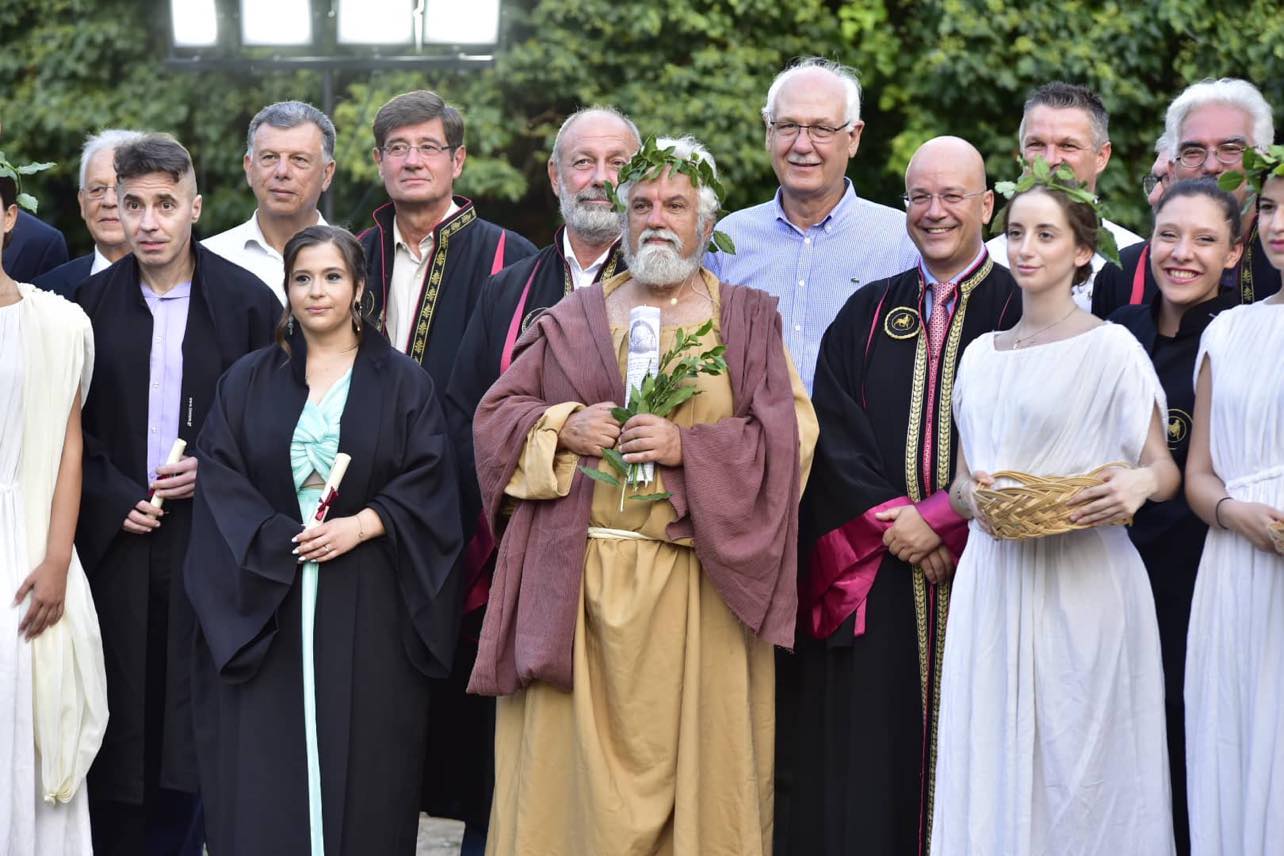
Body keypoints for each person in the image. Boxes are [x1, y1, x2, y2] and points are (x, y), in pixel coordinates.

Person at [468, 136, 817, 855]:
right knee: (565, 803)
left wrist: (688, 449)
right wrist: (566, 425)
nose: (657, 217)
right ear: (623, 222)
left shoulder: (746, 321)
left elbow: (791, 441)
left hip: (700, 595)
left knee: (704, 792)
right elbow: (495, 422)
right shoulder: (572, 318)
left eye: (676, 204)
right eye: (642, 204)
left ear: (707, 223)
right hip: (579, 593)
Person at [185, 225, 463, 855]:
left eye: (333, 277)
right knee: (266, 777)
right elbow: (221, 480)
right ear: (286, 289)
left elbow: (431, 481)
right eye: (302, 278)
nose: (317, 292)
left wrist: (363, 524)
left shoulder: (402, 383)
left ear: (360, 287)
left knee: (362, 771)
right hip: (265, 597)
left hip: (369, 598)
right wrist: (277, 536)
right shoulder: (249, 381)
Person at [931, 169, 1179, 855]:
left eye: (1046, 234)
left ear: (1080, 252)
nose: (1026, 248)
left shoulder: (1112, 348)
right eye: (1015, 233)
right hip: (996, 576)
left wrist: (1134, 487)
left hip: (1084, 581)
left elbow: (1163, 469)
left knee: (1083, 763)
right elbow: (958, 484)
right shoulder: (980, 357)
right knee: (996, 752)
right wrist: (970, 499)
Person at [783, 136, 1019, 856]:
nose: (935, 211)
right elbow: (836, 437)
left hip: (992, 571)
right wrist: (905, 527)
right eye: (920, 196)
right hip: (883, 580)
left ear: (986, 206)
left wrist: (946, 521)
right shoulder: (866, 311)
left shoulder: (1019, 308)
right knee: (875, 758)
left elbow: (1034, 439)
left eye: (953, 196)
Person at [437, 104, 639, 849]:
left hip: (625, 557)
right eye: (583, 162)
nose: (601, 178)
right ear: (555, 177)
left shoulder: (673, 288)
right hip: (519, 554)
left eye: (619, 163)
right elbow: (467, 420)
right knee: (516, 762)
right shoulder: (509, 289)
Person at [73, 134, 280, 855]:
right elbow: (69, 434)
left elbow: (277, 430)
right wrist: (107, 494)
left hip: (210, 543)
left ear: (196, 207)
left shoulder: (250, 304)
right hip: (117, 544)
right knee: (124, 707)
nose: (149, 222)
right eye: (133, 205)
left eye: (165, 204)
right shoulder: (83, 306)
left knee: (197, 718)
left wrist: (214, 473)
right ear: (113, 211)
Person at [1108, 179, 1244, 855]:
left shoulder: (1243, 340)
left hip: (1207, 577)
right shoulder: (1114, 335)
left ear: (1235, 253)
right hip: (1110, 577)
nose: (1181, 253)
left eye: (1204, 240)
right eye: (1168, 235)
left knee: (1195, 737)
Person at [0, 159, 107, 855]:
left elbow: (71, 449)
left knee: (30, 730)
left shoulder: (60, 323)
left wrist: (58, 560)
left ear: (9, 217)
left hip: (29, 548)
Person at [706, 57, 919, 392]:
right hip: (752, 443)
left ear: (853, 137)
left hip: (863, 444)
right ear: (769, 132)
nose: (802, 145)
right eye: (788, 126)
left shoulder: (902, 243)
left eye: (821, 128)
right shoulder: (727, 242)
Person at [1183, 152, 1284, 856]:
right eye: (1272, 207)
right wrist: (1232, 514)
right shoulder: (1230, 331)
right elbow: (1199, 475)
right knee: (1236, 737)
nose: (1279, 223)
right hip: (1235, 565)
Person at [358, 90, 535, 393]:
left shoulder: (513, 256)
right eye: (398, 148)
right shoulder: (354, 254)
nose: (412, 162)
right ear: (379, 161)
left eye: (428, 147)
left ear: (457, 161)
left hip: (467, 440)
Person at [1093, 78, 1280, 315]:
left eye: (1231, 149)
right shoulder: (1123, 274)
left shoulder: (1278, 261)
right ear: (1172, 168)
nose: (1211, 166)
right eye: (1193, 152)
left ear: (1262, 162)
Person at [986, 81, 1144, 310]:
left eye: (1068, 146)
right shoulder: (988, 263)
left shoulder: (1136, 262)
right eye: (1037, 144)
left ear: (1102, 156)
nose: (1050, 159)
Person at [204, 101, 336, 303]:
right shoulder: (208, 260)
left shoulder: (354, 262)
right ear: (249, 168)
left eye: (299, 159)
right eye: (270, 157)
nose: (282, 171)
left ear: (327, 174)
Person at [33, 130, 146, 298]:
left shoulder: (187, 284)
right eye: (97, 189)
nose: (109, 201)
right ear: (82, 203)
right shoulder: (44, 293)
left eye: (122, 189)